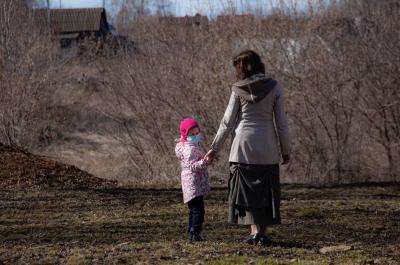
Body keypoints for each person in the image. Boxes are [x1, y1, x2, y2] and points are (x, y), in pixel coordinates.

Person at [205, 50, 291, 245]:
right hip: (267, 147)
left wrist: (214, 148)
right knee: (266, 192)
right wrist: (286, 150)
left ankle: (254, 233)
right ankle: (263, 233)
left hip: (242, 147)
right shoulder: (274, 87)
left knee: (248, 193)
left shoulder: (237, 88)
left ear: (241, 68)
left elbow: (227, 122)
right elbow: (282, 123)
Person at [175, 117, 210, 241]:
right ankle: (195, 232)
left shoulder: (191, 145)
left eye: (197, 133)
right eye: (192, 134)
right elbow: (192, 166)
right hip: (193, 183)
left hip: (195, 183)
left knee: (193, 209)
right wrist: (204, 162)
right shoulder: (189, 148)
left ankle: (192, 231)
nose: (195, 136)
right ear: (185, 134)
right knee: (198, 210)